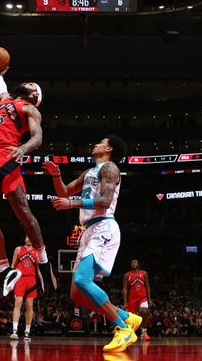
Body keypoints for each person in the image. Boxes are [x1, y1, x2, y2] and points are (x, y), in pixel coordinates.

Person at [44, 135, 139, 353]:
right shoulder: (90, 172)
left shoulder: (110, 168)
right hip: (88, 231)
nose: (95, 144)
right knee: (76, 294)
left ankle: (122, 328)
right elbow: (64, 191)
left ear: (109, 148)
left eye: (100, 142)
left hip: (104, 227)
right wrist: (56, 176)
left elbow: (104, 202)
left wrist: (72, 204)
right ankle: (127, 317)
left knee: (81, 279)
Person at [0, 67, 55, 296]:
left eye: (31, 84)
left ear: (34, 96)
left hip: (6, 155)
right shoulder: (5, 100)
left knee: (22, 211)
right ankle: (5, 270)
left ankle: (44, 262)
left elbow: (37, 137)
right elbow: (0, 87)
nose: (27, 82)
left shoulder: (29, 108)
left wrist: (23, 148)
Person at [10, 236, 42, 340]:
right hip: (20, 278)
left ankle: (27, 332)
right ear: (24, 239)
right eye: (27, 237)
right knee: (17, 303)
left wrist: (41, 281)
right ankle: (14, 331)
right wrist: (10, 281)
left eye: (30, 237)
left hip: (32, 280)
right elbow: (13, 266)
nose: (29, 239)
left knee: (29, 306)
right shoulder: (18, 249)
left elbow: (38, 269)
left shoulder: (37, 252)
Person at [123, 259, 152, 341]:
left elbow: (147, 286)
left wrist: (149, 299)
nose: (133, 263)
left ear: (138, 264)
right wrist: (125, 302)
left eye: (135, 262)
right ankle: (129, 333)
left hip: (143, 297)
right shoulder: (127, 275)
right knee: (130, 318)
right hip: (132, 299)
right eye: (132, 262)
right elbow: (125, 289)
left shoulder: (144, 273)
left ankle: (144, 332)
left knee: (145, 312)